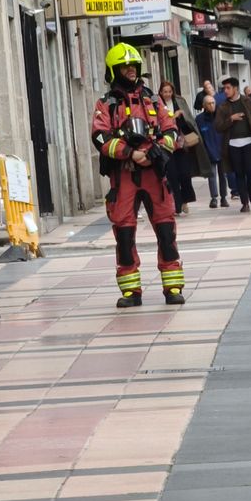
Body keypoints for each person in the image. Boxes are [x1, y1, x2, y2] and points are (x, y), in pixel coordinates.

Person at [92, 44, 186, 306]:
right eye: (125, 66)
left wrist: (157, 149)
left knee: (166, 230)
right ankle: (131, 291)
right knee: (124, 234)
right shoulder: (106, 104)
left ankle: (173, 287)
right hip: (124, 176)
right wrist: (129, 153)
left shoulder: (152, 99)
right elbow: (100, 137)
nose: (131, 70)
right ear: (114, 71)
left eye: (134, 65)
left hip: (154, 174)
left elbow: (172, 130)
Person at [213, 77, 251, 213]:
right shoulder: (223, 107)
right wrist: (231, 119)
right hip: (232, 145)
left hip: (249, 143)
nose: (225, 91)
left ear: (235, 88)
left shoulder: (248, 102)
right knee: (239, 174)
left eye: (228, 88)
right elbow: (218, 126)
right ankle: (244, 202)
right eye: (224, 88)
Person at [158, 81, 201, 214]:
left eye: (169, 91)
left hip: (181, 144)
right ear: (160, 92)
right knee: (172, 176)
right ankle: (176, 205)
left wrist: (181, 117)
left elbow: (188, 122)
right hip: (167, 145)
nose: (167, 94)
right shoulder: (157, 105)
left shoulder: (179, 102)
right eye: (165, 92)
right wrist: (173, 117)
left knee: (185, 174)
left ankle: (185, 200)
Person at [198, 93, 227, 207]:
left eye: (213, 103)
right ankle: (214, 197)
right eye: (209, 103)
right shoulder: (199, 119)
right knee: (211, 176)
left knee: (223, 175)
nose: (212, 105)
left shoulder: (221, 116)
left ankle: (224, 197)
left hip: (221, 150)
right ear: (204, 105)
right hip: (208, 151)